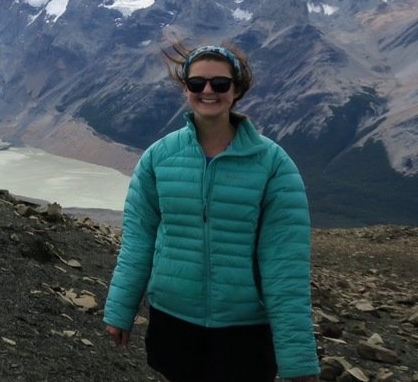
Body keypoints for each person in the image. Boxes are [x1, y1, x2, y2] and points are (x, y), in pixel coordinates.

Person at [103, 42, 320, 382]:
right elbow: (139, 240)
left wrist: (298, 358)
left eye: (220, 84)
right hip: (173, 320)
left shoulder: (274, 164)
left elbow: (285, 265)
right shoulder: (158, 157)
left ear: (236, 91)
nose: (208, 91)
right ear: (185, 88)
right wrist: (120, 308)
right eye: (196, 83)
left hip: (244, 329)